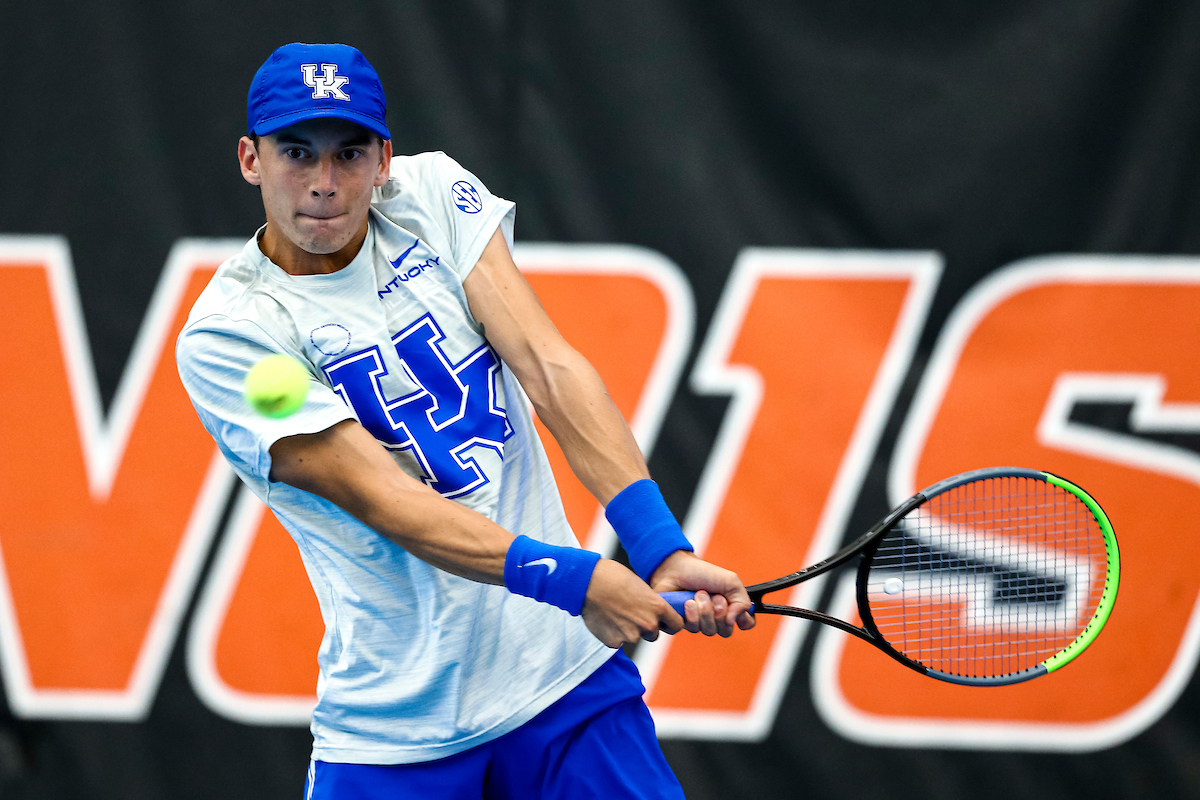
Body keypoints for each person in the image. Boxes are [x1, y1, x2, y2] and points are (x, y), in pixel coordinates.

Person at [176, 42, 754, 799]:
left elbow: (549, 367)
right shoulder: (230, 333)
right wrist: (579, 580)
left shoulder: (433, 195)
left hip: (565, 691)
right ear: (251, 159)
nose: (323, 183)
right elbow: (390, 501)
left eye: (349, 154)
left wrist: (658, 546)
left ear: (384, 159)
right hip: (395, 733)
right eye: (296, 153)